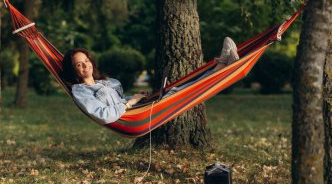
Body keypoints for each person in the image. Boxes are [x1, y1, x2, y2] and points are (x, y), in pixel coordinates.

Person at [62, 37, 239, 124]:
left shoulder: (104, 82)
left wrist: (137, 97)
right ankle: (221, 67)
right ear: (74, 70)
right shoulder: (81, 91)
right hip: (132, 118)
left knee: (176, 89)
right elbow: (103, 115)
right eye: (79, 64)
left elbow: (119, 100)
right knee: (177, 92)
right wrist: (131, 103)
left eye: (86, 61)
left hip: (137, 108)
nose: (85, 66)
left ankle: (219, 67)